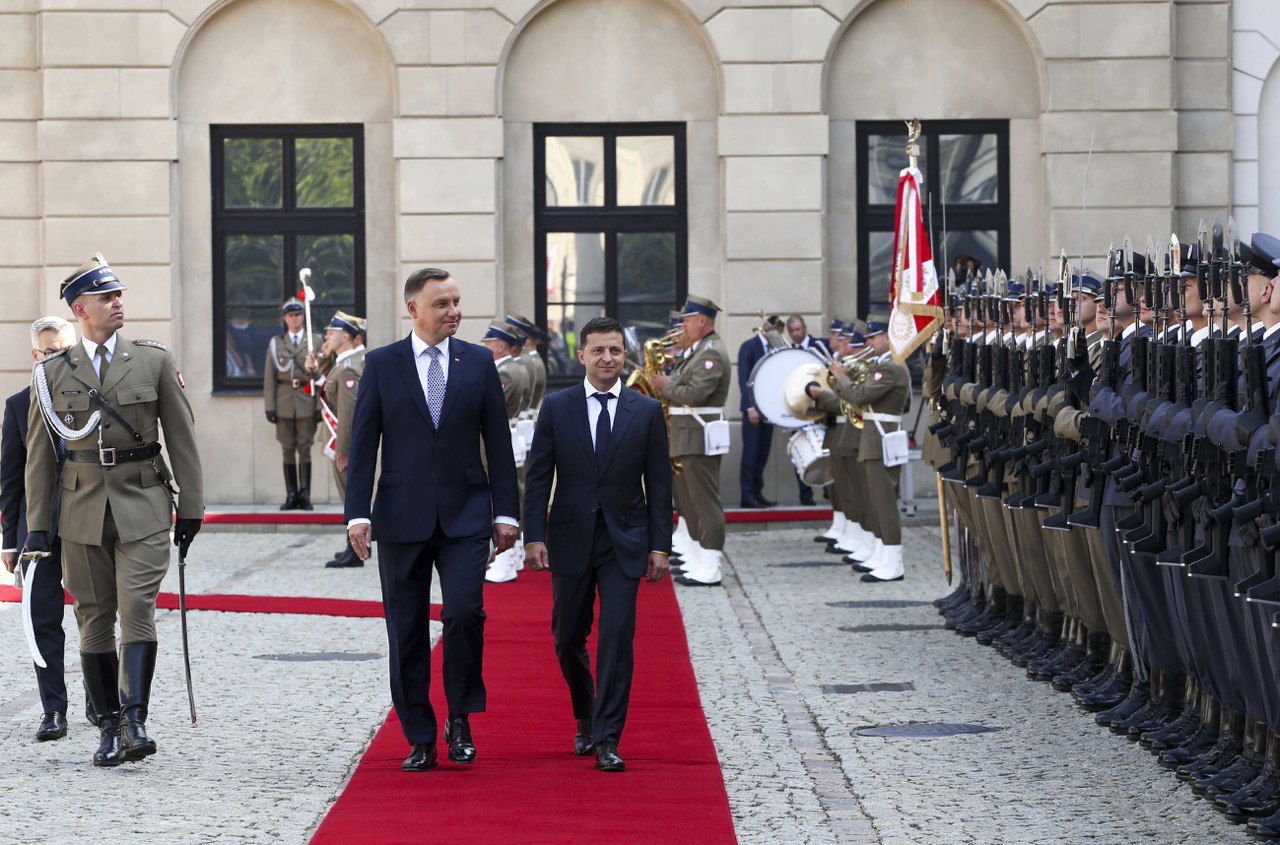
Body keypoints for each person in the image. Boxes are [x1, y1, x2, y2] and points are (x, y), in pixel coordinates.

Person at [23, 253, 204, 767]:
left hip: (143, 503)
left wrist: (191, 507)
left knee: (137, 608)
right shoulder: (52, 372)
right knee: (94, 618)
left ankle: (134, 720)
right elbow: (39, 456)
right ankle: (106, 725)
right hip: (81, 511)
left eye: (119, 294)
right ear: (80, 309)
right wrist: (38, 529)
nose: (117, 302)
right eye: (106, 297)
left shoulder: (152, 359)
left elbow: (183, 437)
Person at [345, 267, 520, 773]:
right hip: (400, 518)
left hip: (466, 515)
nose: (454, 311)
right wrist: (357, 516)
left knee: (464, 613)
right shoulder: (382, 364)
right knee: (405, 630)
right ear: (413, 308)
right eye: (442, 303)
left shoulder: (479, 362)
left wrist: (505, 513)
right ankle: (419, 734)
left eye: (457, 301)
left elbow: (499, 443)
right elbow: (363, 447)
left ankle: (460, 717)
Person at [523, 316, 673, 773]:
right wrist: (533, 536)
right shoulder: (557, 407)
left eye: (615, 351)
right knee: (568, 637)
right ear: (582, 355)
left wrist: (660, 545)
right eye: (599, 351)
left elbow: (660, 483)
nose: (607, 358)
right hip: (570, 538)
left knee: (616, 638)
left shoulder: (645, 411)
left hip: (625, 541)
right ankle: (585, 714)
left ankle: (609, 736)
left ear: (623, 356)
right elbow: (537, 476)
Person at [2, 316, 81, 742]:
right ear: (36, 356)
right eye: (50, 353)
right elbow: (10, 479)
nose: (58, 360)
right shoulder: (18, 405)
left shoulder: (93, 399)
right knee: (42, 619)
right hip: (38, 531)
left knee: (94, 616)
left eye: (66, 352)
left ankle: (99, 702)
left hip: (86, 522)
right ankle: (54, 710)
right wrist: (8, 541)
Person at [809, 318, 909, 582]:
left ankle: (892, 559)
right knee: (875, 499)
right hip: (874, 435)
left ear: (888, 337)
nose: (869, 343)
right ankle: (883, 553)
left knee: (883, 501)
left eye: (874, 338)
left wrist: (841, 378)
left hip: (880, 436)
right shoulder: (884, 365)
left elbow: (860, 396)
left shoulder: (890, 366)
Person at [650, 296, 731, 587]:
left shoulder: (711, 354)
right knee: (690, 501)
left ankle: (710, 565)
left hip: (698, 434)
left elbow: (696, 394)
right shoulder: (699, 351)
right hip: (688, 433)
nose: (682, 324)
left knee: (704, 501)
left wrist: (665, 385)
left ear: (702, 321)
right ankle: (699, 558)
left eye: (687, 319)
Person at [305, 312, 366, 568]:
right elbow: (332, 392)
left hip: (345, 444)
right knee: (350, 494)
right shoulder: (344, 362)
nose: (326, 337)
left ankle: (355, 551)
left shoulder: (350, 366)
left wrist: (342, 450)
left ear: (345, 336)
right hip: (344, 441)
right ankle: (354, 547)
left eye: (330, 333)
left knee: (350, 495)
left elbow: (348, 413)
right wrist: (315, 371)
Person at [480, 321, 532, 583]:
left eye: (489, 343)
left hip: (500, 438)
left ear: (501, 345)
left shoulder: (506, 373)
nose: (486, 347)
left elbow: (492, 409)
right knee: (514, 494)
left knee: (502, 498)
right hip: (511, 434)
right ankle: (514, 554)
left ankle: (504, 559)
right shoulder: (514, 368)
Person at [263, 298, 322, 511]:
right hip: (284, 400)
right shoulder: (276, 343)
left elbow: (320, 376)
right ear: (285, 318)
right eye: (291, 314)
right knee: (287, 448)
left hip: (307, 399)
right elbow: (269, 378)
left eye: (298, 314)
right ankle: (291, 494)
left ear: (303, 316)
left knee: (305, 448)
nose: (295, 318)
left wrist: (319, 407)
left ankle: (305, 495)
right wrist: (270, 406)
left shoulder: (315, 341)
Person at [736, 316, 783, 508]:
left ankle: (757, 491)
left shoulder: (775, 349)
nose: (778, 336)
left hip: (768, 409)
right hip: (753, 409)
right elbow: (744, 379)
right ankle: (747, 494)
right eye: (775, 332)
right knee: (751, 452)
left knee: (763, 453)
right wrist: (750, 407)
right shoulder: (749, 346)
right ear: (766, 330)